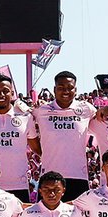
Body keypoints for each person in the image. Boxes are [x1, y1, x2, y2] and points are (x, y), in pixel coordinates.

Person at [29, 71, 97, 199]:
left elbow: (103, 117)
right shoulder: (41, 110)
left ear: (75, 90)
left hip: (78, 177)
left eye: (70, 88)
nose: (65, 91)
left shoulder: (87, 109)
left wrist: (107, 109)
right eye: (61, 88)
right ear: (54, 90)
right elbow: (23, 124)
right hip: (49, 177)